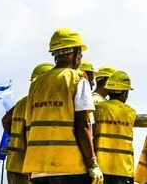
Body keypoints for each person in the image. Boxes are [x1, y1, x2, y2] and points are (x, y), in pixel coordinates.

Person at [22, 27, 103, 184]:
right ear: (75, 53)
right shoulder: (77, 79)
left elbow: (29, 126)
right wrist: (92, 163)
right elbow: (83, 125)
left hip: (38, 168)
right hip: (69, 167)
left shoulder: (36, 84)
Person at [2, 62, 54, 184]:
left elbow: (5, 120)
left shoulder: (22, 101)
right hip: (27, 166)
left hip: (13, 164)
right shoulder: (40, 102)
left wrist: (15, 139)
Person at [94, 70, 137, 184]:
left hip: (100, 167)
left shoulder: (98, 109)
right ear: (125, 93)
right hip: (123, 169)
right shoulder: (130, 112)